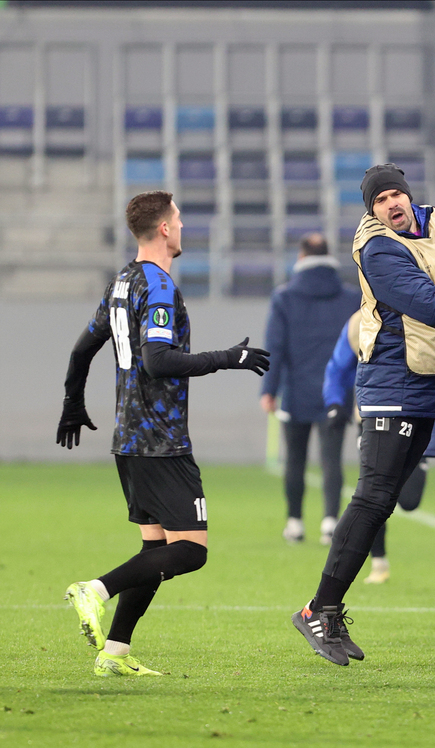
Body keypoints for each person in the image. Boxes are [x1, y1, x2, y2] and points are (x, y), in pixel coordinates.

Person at [292, 163, 435, 666]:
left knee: (403, 486)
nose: (392, 204)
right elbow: (430, 304)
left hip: (434, 379)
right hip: (394, 381)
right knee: (374, 497)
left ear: (410, 196)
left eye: (396, 195)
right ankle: (318, 609)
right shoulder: (378, 247)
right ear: (371, 210)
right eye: (380, 199)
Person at [59, 191, 270, 676]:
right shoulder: (156, 286)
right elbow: (158, 361)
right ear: (165, 230)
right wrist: (227, 358)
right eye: (179, 218)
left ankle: (115, 654)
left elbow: (82, 349)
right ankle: (95, 590)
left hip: (129, 438)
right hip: (160, 439)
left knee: (156, 550)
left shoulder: (121, 282)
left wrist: (73, 404)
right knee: (192, 550)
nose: (182, 226)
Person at [261, 232, 360, 545]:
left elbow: (275, 348)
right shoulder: (350, 297)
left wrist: (269, 389)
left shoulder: (284, 297)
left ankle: (295, 522)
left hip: (296, 390)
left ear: (301, 258)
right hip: (338, 391)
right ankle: (330, 521)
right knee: (332, 459)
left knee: (295, 460)